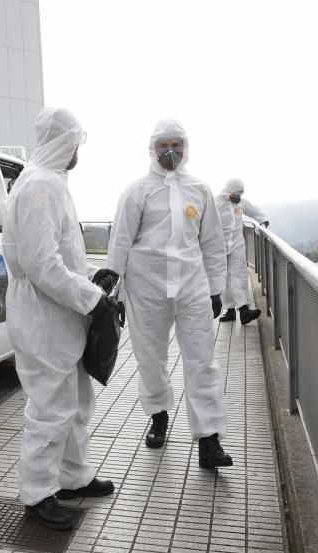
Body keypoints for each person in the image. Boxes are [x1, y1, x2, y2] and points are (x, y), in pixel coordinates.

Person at [2, 107, 117, 530]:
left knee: (74, 400)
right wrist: (92, 298)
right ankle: (37, 494)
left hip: (58, 312)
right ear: (62, 142)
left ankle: (72, 477)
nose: (77, 153)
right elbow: (41, 264)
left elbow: (62, 254)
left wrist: (91, 280)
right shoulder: (39, 185)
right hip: (42, 314)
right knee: (51, 404)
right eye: (75, 144)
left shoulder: (49, 183)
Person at [107, 119, 232, 468]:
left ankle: (209, 439)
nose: (171, 152)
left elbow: (211, 242)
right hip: (146, 288)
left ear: (187, 148)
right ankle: (159, 414)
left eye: (177, 145)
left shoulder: (200, 190)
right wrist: (114, 293)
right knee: (150, 357)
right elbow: (119, 243)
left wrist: (216, 288)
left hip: (192, 286)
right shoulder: (137, 192)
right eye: (164, 146)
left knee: (202, 360)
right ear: (152, 149)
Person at [216, 178, 267, 324]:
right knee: (224, 278)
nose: (238, 196)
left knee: (239, 275)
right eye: (236, 193)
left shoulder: (241, 203)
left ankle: (244, 309)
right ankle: (229, 310)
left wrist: (263, 220)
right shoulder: (216, 203)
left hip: (237, 244)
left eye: (240, 193)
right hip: (219, 245)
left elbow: (254, 210)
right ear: (228, 191)